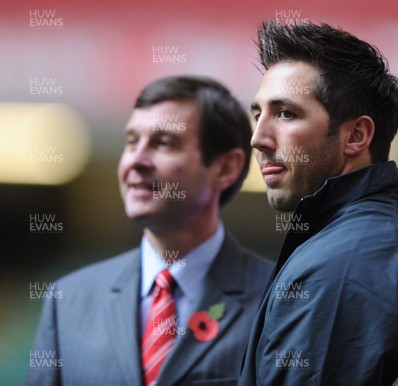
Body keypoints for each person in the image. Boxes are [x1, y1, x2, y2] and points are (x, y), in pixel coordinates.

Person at [239, 21, 398, 386]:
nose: (258, 138)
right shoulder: (375, 245)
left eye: (285, 113)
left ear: (356, 136)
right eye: (258, 114)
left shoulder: (343, 265)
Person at [28, 75, 273, 386]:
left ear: (225, 168)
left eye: (164, 143)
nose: (136, 160)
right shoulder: (69, 300)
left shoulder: (276, 300)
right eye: (131, 142)